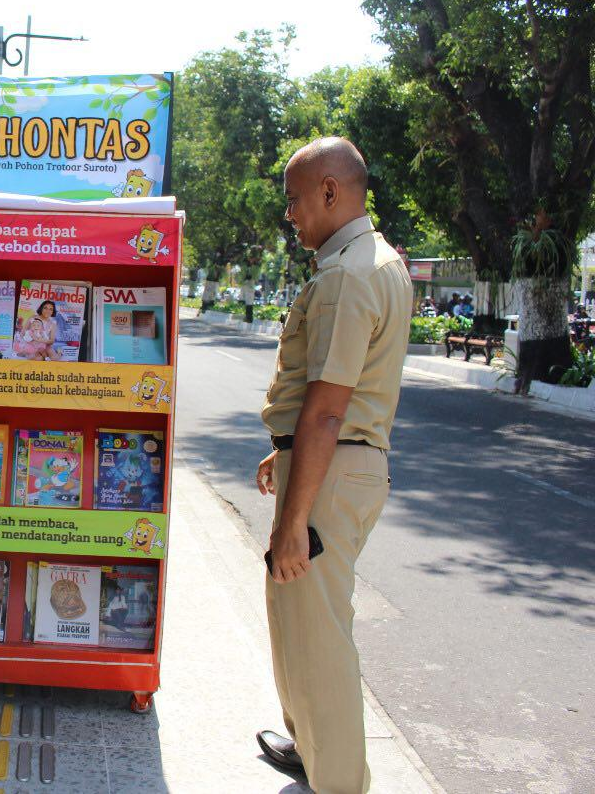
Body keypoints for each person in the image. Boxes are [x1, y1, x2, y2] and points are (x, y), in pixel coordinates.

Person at [254, 138, 411, 793]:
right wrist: (282, 451)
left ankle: (339, 780)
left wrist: (295, 519)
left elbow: (326, 407)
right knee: (297, 616)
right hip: (331, 462)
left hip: (330, 468)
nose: (289, 214)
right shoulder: (373, 260)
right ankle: (313, 746)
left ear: (330, 191)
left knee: (318, 637)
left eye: (295, 199)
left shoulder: (348, 274)